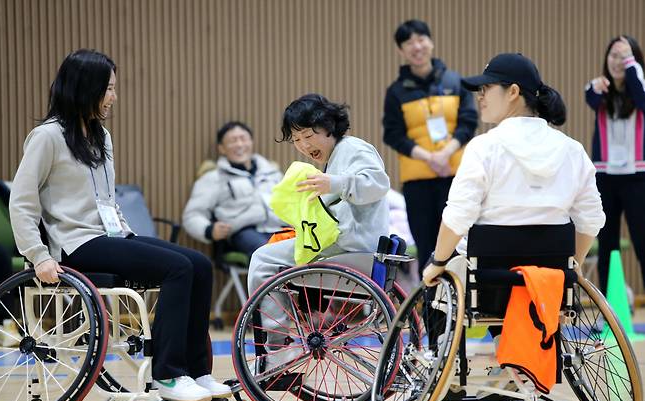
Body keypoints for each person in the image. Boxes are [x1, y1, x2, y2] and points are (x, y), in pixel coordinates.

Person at [8, 49, 231, 401]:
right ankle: (169, 376)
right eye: (108, 89)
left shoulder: (101, 136)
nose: (114, 96)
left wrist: (128, 234)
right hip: (75, 242)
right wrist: (37, 256)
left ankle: (198, 371)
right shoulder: (47, 137)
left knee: (200, 265)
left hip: (110, 235)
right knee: (178, 268)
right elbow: (21, 202)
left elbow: (106, 199)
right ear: (85, 88)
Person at [422, 52, 605, 286]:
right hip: (550, 280)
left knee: (435, 270)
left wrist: (437, 264)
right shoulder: (572, 150)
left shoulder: (484, 147)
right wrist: (573, 267)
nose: (480, 97)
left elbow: (458, 216)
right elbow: (591, 219)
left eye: (486, 88)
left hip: (487, 280)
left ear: (513, 92)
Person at [248, 93, 390, 366]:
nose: (303, 145)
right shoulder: (335, 157)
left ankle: (278, 347)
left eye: (308, 135)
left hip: (353, 247)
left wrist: (333, 183)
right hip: (346, 243)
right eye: (297, 140)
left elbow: (377, 184)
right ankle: (286, 336)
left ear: (328, 126)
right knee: (274, 247)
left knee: (262, 259)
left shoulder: (353, 149)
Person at [383, 19, 478, 273]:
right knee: (427, 248)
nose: (417, 46)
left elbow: (469, 122)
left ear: (430, 42)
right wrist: (428, 157)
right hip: (418, 184)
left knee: (460, 245)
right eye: (408, 42)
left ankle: (460, 309)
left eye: (421, 39)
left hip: (455, 177)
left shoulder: (455, 82)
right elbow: (393, 134)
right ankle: (431, 312)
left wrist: (446, 152)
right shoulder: (396, 91)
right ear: (401, 51)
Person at [585, 35, 645, 295]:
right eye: (614, 55)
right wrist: (599, 86)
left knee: (642, 242)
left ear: (634, 61)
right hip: (605, 176)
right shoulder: (598, 89)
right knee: (607, 243)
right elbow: (591, 98)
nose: (618, 61)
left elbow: (642, 99)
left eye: (625, 55)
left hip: (637, 176)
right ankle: (609, 308)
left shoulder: (640, 87)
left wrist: (632, 66)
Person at [182, 121, 285, 258]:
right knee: (268, 252)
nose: (239, 145)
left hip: (279, 228)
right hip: (243, 233)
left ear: (251, 142)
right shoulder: (213, 178)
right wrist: (209, 230)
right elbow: (192, 215)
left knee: (304, 248)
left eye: (243, 139)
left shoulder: (272, 172)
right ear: (222, 148)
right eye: (232, 141)